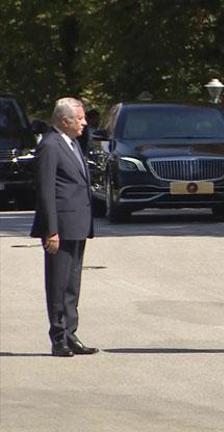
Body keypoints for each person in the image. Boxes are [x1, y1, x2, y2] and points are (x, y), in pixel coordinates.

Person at [30, 97, 98, 357]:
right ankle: (58, 337)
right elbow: (46, 191)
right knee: (58, 283)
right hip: (61, 226)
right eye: (79, 118)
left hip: (78, 223)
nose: (84, 123)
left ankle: (70, 332)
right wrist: (51, 230)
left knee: (72, 283)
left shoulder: (72, 143)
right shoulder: (50, 145)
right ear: (64, 120)